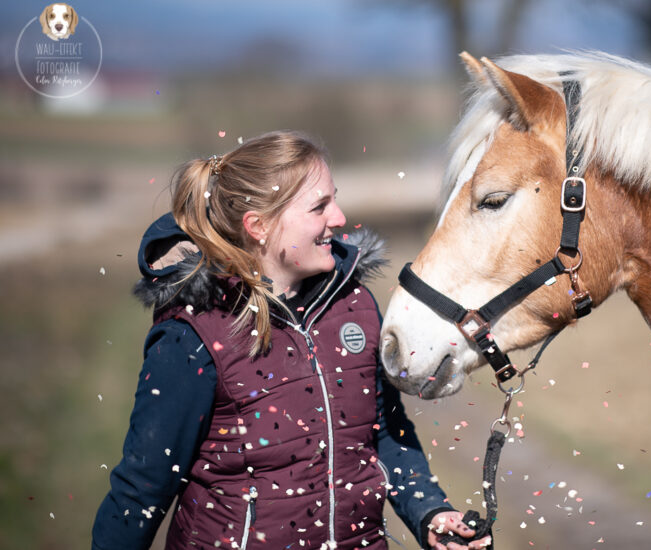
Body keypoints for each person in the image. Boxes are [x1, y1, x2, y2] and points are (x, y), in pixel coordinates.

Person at [92, 131, 491, 550]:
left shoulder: (354, 305)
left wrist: (430, 512)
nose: (338, 217)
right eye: (319, 206)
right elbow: (141, 490)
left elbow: (384, 434)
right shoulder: (192, 334)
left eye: (333, 199)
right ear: (259, 226)